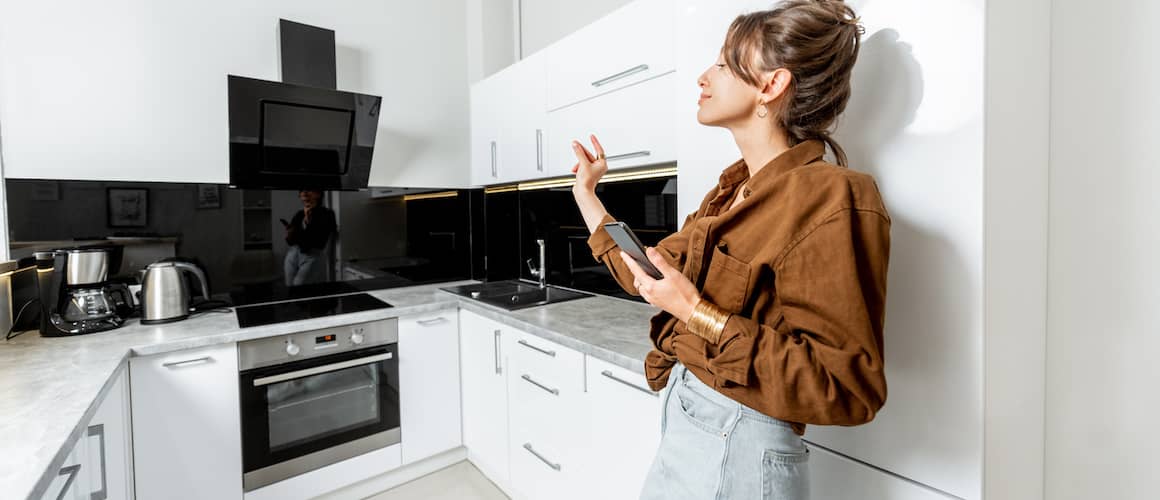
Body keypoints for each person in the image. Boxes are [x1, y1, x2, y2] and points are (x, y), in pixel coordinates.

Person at [569, 2, 887, 499]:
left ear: (770, 86)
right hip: (690, 418)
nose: (703, 76)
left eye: (722, 63)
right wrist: (586, 195)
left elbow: (847, 387)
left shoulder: (831, 196)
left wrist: (695, 312)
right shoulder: (731, 191)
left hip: (741, 442)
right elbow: (646, 274)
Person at [283, 189, 337, 286]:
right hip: (292, 255)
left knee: (299, 288)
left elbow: (318, 241)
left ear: (318, 194)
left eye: (309, 190)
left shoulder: (327, 214)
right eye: (302, 192)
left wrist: (307, 222)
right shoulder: (299, 214)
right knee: (289, 288)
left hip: (311, 256)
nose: (304, 193)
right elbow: (290, 242)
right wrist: (289, 234)